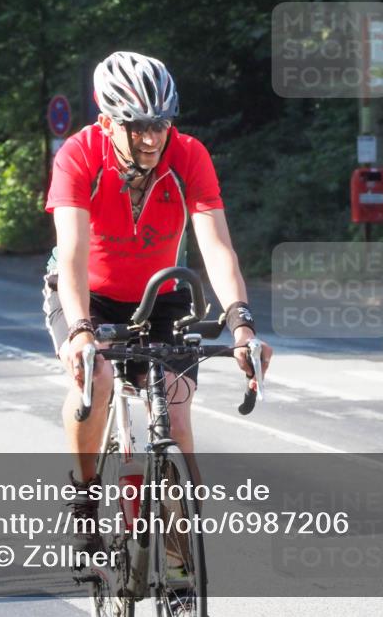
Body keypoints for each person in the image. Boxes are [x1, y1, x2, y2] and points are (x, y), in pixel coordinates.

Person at [41, 51, 272, 554]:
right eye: (137, 126)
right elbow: (74, 254)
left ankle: (179, 553)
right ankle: (84, 501)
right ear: (106, 121)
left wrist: (241, 324)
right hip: (88, 295)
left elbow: (216, 245)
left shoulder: (188, 154)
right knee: (95, 379)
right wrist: (81, 331)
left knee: (176, 408)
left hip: (160, 296)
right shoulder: (78, 156)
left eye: (160, 124)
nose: (151, 138)